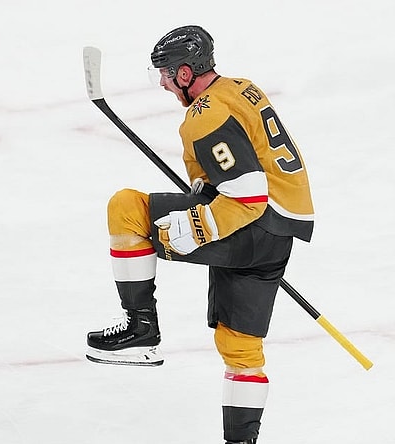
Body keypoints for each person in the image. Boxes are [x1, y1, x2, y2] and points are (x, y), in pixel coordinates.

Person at [86, 25, 314, 444]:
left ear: (186, 74)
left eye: (167, 74)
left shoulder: (205, 115)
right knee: (240, 348)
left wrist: (198, 225)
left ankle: (141, 327)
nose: (162, 82)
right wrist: (206, 191)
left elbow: (247, 196)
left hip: (249, 224)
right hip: (280, 234)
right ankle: (241, 441)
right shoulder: (243, 88)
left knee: (126, 208)